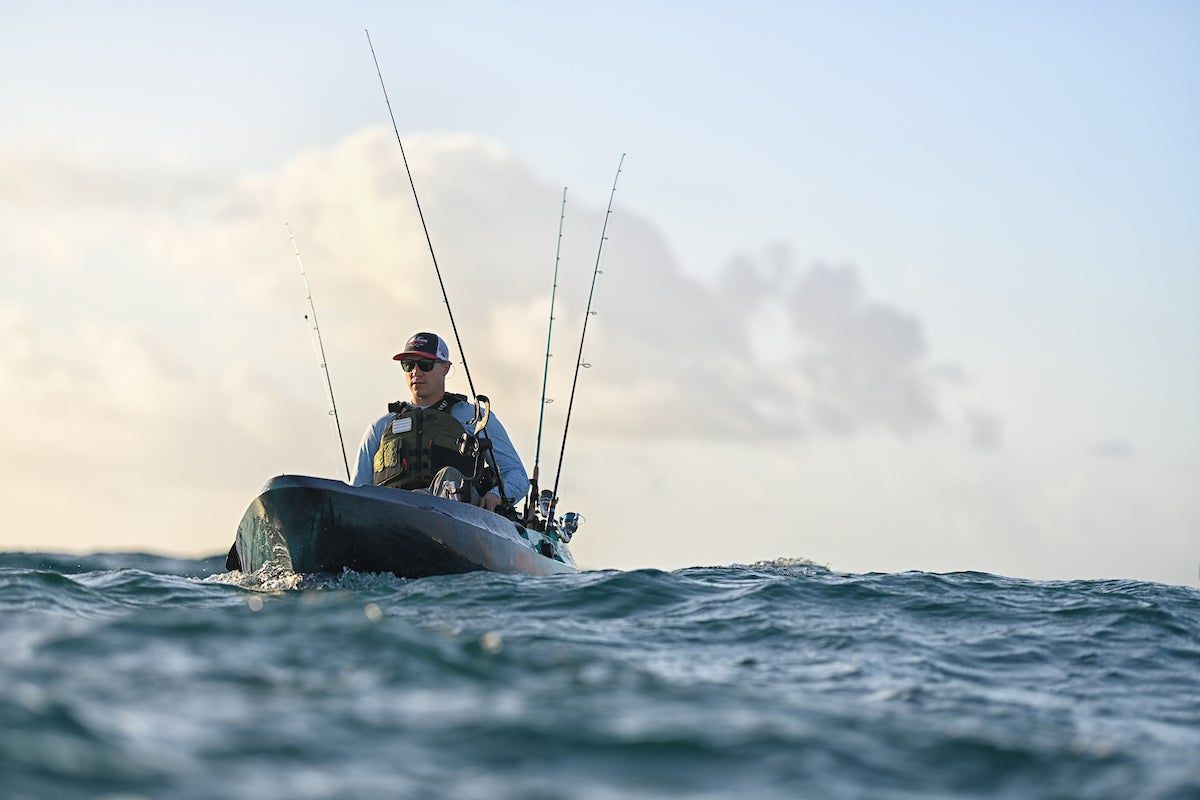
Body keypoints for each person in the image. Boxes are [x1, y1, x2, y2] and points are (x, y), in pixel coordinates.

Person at [350, 332, 529, 514]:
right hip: (393, 519)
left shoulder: (475, 418)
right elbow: (357, 492)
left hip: (460, 520)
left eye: (425, 365)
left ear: (445, 368)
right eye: (408, 365)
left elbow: (516, 474)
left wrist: (496, 495)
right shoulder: (380, 427)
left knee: (448, 476)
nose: (416, 372)